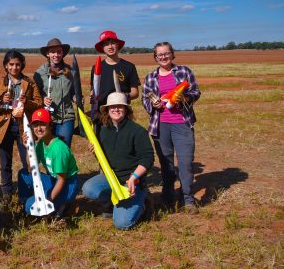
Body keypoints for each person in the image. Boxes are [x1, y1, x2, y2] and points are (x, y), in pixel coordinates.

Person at [142, 42, 201, 214]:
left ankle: (188, 199)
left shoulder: (184, 71)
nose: (163, 57)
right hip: (160, 126)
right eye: (159, 55)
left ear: (172, 54)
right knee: (166, 164)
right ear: (155, 57)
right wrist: (154, 104)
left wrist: (183, 99)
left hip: (182, 123)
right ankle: (168, 196)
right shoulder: (150, 77)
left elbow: (196, 92)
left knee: (185, 162)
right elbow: (145, 100)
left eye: (166, 53)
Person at [82, 92, 154, 229]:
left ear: (126, 109)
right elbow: (107, 157)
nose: (116, 109)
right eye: (112, 107)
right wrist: (95, 152)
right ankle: (115, 202)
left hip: (131, 181)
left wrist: (134, 177)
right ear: (107, 110)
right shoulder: (102, 130)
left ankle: (143, 203)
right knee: (89, 189)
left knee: (122, 224)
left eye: (120, 106)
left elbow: (148, 157)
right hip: (111, 178)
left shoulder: (137, 131)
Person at [0, 50, 43, 202]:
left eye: (18, 64)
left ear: (22, 65)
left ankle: (28, 191)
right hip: (4, 127)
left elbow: (39, 103)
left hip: (23, 127)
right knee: (5, 162)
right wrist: (2, 102)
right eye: (11, 64)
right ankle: (7, 193)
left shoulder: (29, 82)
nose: (14, 67)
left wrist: (27, 103)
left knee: (28, 160)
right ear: (6, 65)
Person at [18, 108, 79, 218]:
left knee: (29, 206)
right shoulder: (41, 144)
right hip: (54, 180)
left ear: (50, 125)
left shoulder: (58, 149)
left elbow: (62, 179)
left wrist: (48, 201)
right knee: (23, 174)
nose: (39, 128)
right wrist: (28, 147)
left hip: (67, 185)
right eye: (35, 125)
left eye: (42, 124)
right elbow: (30, 168)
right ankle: (24, 202)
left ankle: (65, 205)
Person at [90, 31, 141, 129]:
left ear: (117, 45)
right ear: (102, 48)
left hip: (121, 113)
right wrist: (92, 97)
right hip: (102, 113)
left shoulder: (129, 67)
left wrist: (123, 96)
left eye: (112, 43)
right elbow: (93, 91)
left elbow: (135, 93)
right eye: (106, 44)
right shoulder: (96, 68)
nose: (110, 47)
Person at [33, 38, 76, 146]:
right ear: (47, 54)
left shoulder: (70, 72)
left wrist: (77, 98)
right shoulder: (39, 73)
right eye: (52, 52)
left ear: (62, 53)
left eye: (59, 51)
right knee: (49, 150)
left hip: (66, 118)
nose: (56, 55)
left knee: (63, 150)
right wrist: (43, 99)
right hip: (47, 119)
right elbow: (35, 96)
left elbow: (73, 93)